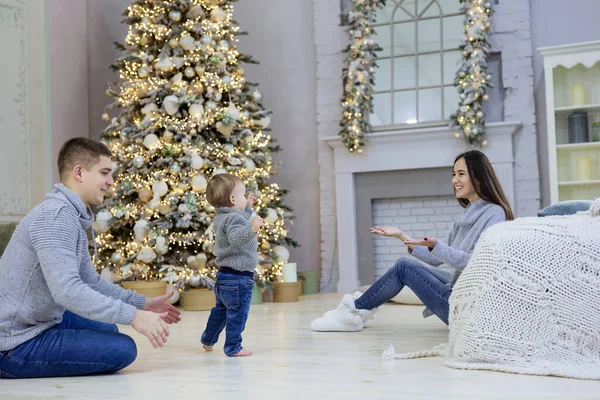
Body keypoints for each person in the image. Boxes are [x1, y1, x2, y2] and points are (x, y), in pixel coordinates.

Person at [0, 137, 181, 379]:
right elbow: (67, 291)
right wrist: (135, 317)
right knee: (123, 349)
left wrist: (143, 304)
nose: (111, 181)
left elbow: (89, 281)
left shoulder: (69, 215)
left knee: (109, 329)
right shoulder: (56, 218)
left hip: (37, 320)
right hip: (12, 342)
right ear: (79, 172)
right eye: (105, 173)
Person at [311, 150, 514, 332]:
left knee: (404, 267)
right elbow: (436, 259)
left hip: (467, 309)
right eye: (453, 174)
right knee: (406, 266)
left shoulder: (494, 214)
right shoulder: (466, 216)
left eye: (461, 174)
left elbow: (480, 263)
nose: (455, 180)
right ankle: (356, 311)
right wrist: (401, 236)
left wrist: (437, 246)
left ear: (478, 178)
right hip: (460, 291)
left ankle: (351, 314)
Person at [200, 173, 263, 357]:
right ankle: (233, 347)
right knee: (238, 314)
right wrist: (252, 228)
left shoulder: (222, 217)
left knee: (220, 312)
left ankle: (208, 340)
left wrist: (248, 207)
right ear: (233, 199)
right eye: (243, 195)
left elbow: (237, 220)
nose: (245, 198)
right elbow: (237, 238)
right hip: (239, 279)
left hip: (224, 277)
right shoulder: (234, 220)